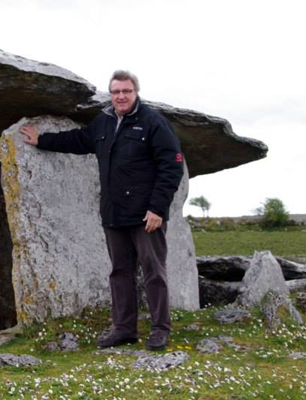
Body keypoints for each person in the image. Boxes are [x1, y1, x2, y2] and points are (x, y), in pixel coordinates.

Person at [20, 70, 184, 351]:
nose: (121, 96)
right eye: (116, 91)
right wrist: (42, 140)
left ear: (136, 93)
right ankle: (124, 329)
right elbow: (78, 140)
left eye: (126, 91)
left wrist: (157, 208)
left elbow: (172, 165)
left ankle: (160, 329)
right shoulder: (104, 122)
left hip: (146, 215)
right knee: (120, 272)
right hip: (114, 213)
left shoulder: (153, 122)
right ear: (111, 94)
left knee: (153, 272)